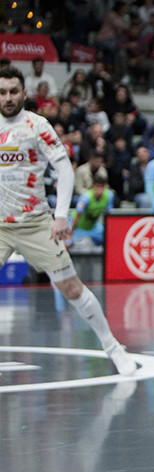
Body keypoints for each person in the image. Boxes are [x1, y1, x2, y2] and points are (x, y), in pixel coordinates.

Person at [0, 66, 135, 376]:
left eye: (13, 91)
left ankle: (112, 346)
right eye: (2, 92)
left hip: (35, 224)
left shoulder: (37, 126)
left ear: (24, 93)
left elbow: (63, 169)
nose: (7, 97)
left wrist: (61, 215)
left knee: (72, 289)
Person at [70, 176, 114, 248]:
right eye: (97, 186)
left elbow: (109, 215)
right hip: (77, 226)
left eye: (102, 187)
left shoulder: (109, 196)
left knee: (108, 239)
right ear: (93, 186)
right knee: (68, 242)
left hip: (93, 227)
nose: (100, 190)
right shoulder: (86, 198)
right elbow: (77, 215)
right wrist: (70, 233)